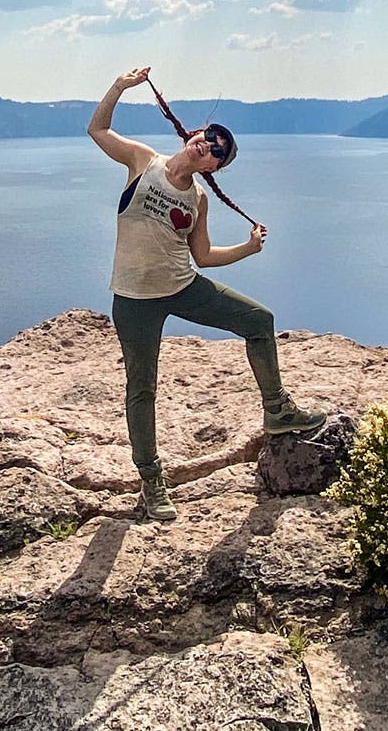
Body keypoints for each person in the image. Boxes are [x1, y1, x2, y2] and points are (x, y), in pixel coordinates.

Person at [90, 65, 325, 522]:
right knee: (142, 388)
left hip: (182, 287)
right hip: (134, 300)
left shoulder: (196, 200)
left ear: (213, 166)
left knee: (259, 320)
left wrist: (249, 249)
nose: (210, 145)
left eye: (218, 151)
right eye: (210, 136)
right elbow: (97, 128)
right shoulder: (143, 160)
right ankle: (151, 479)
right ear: (194, 135)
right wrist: (121, 86)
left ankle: (277, 410)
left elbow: (202, 257)